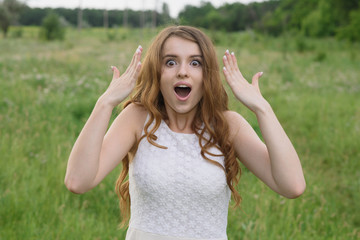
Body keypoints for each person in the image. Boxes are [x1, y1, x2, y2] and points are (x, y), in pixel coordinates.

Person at [64, 26, 306, 240]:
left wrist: (262, 108)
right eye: (170, 62)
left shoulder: (228, 125)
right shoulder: (137, 119)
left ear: (207, 75)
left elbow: (292, 186)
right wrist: (105, 103)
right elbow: (77, 181)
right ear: (157, 73)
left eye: (195, 62)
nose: (182, 72)